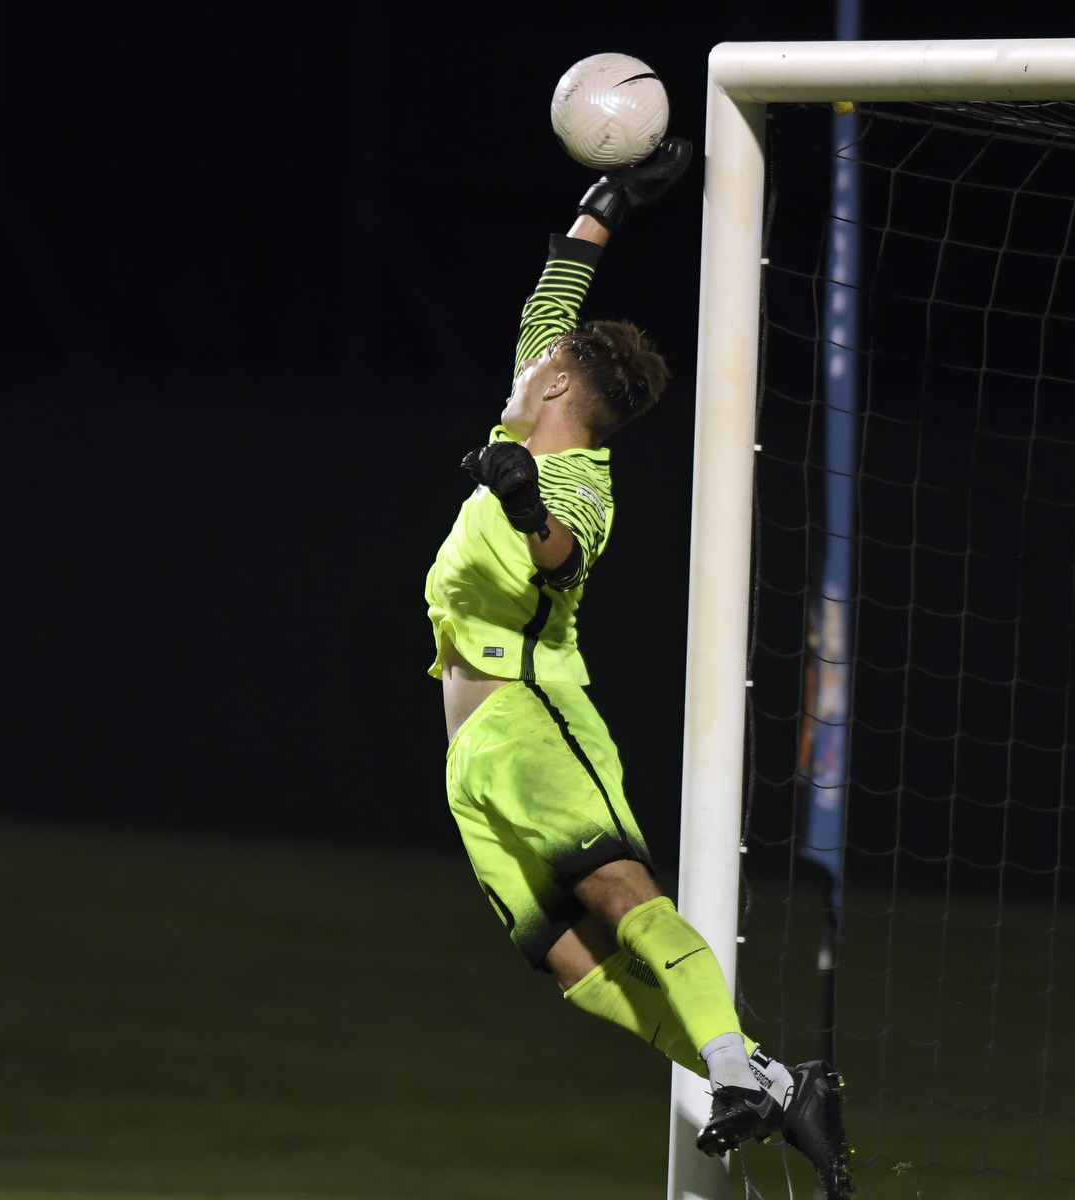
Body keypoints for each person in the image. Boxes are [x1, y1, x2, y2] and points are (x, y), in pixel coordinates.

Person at [423, 139, 851, 1198]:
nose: (524, 357)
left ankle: (733, 1069)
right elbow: (554, 291)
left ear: (558, 379)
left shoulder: (581, 486)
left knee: (619, 891)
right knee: (572, 965)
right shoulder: (528, 409)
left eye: (539, 358)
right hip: (472, 755)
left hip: (533, 720)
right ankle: (775, 1080)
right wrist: (606, 201)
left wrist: (522, 497)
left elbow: (554, 551)